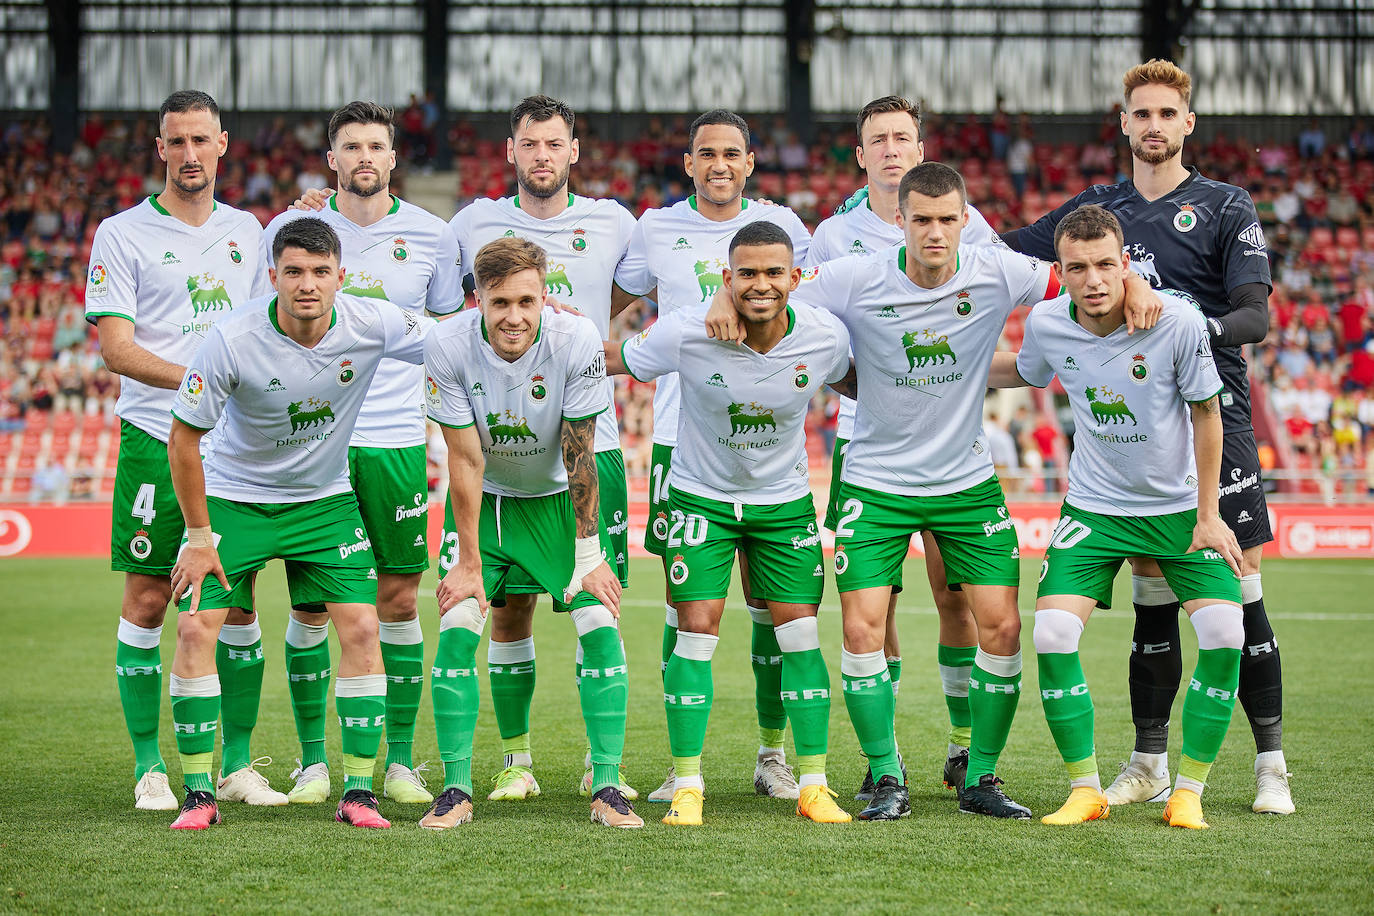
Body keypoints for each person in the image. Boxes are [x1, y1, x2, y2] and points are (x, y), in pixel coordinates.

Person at [1000, 59, 1291, 815]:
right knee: (1151, 608)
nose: (1154, 125)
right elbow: (998, 251)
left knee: (1241, 598)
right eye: (1142, 114)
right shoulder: (1098, 207)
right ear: (1123, 122)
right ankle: (1147, 761)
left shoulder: (1226, 205)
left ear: (1187, 122)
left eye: (1168, 113)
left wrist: (1170, 328)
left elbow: (1256, 319)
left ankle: (1271, 762)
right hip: (1129, 445)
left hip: (1211, 420)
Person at [165, 217, 432, 830]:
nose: (307, 284)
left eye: (319, 272)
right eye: (293, 272)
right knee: (194, 631)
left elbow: (454, 338)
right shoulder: (231, 339)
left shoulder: (373, 321)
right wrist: (201, 540)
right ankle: (201, 791)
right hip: (237, 499)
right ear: (273, 277)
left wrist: (539, 315)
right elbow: (183, 439)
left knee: (364, 626)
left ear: (341, 277)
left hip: (324, 501)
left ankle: (359, 792)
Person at [988, 204, 1244, 829]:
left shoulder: (1175, 318)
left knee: (1225, 635)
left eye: (1107, 265)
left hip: (1179, 509)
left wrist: (1210, 516)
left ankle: (1188, 791)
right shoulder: (1047, 323)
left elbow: (1209, 416)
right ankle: (1084, 788)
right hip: (1094, 508)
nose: (1094, 279)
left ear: (1126, 265)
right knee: (1050, 635)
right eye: (1078, 268)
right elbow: (1022, 374)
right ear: (1060, 272)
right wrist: (910, 369)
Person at [606, 221, 852, 826]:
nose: (760, 284)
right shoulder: (687, 332)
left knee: (798, 635)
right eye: (747, 273)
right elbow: (626, 359)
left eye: (774, 272)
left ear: (797, 278)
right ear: (727, 278)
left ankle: (812, 783)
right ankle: (688, 782)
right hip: (700, 497)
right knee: (695, 627)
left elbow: (861, 376)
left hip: (784, 501)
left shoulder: (825, 337)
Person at [86, 90, 282, 812]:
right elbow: (116, 349)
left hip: (235, 445)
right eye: (178, 142)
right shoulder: (122, 232)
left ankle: (235, 764)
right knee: (145, 599)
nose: (191, 154)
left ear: (223, 144)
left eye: (203, 140)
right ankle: (148, 766)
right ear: (160, 147)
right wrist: (204, 380)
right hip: (154, 435)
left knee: (236, 602)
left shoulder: (250, 230)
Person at [264, 101, 463, 807]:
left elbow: (448, 332)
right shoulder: (293, 231)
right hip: (317, 443)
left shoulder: (434, 236)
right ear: (332, 159)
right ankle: (313, 761)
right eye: (352, 146)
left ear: (393, 158)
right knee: (314, 608)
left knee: (399, 597)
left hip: (397, 440)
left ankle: (402, 761)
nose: (365, 157)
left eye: (377, 145)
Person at [613, 109, 814, 803]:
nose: (720, 163)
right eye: (707, 153)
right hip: (679, 439)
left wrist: (735, 294)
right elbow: (618, 302)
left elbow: (803, 308)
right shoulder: (654, 228)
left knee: (771, 605)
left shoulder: (788, 227)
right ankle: (681, 762)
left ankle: (773, 753)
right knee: (682, 605)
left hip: (765, 443)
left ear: (750, 161)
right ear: (689, 162)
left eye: (732, 152)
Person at [447, 96, 639, 801]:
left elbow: (635, 294)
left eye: (554, 143)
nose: (542, 155)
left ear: (574, 151)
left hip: (594, 444)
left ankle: (601, 762)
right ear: (511, 151)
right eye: (530, 144)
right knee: (510, 608)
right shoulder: (471, 223)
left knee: (597, 598)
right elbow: (450, 308)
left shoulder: (615, 222)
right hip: (503, 450)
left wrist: (577, 340)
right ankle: (517, 762)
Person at [420, 236, 642, 830]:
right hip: (488, 504)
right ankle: (456, 788)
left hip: (557, 504)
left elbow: (580, 452)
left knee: (598, 622)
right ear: (477, 301)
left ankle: (607, 783)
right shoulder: (444, 345)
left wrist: (589, 553)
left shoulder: (576, 340)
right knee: (457, 630)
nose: (514, 317)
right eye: (499, 304)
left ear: (546, 297)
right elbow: (464, 462)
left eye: (526, 301)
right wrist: (468, 563)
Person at [811, 95, 997, 800]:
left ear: (921, 151)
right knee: (874, 609)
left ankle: (959, 746)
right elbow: (809, 328)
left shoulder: (966, 224)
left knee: (956, 597)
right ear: (860, 155)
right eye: (878, 140)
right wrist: (861, 379)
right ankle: (882, 759)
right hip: (868, 448)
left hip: (953, 446)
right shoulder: (832, 237)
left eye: (903, 138)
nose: (892, 149)